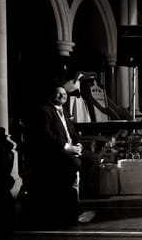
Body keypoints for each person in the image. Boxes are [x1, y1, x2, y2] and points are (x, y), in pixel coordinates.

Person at [24, 85, 95, 228]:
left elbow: (73, 133)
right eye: (58, 94)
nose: (62, 96)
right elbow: (46, 135)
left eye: (64, 94)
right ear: (51, 96)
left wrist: (78, 145)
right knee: (74, 164)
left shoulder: (65, 112)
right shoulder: (45, 111)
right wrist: (67, 147)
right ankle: (68, 204)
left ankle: (72, 194)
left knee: (92, 159)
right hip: (54, 151)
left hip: (71, 148)